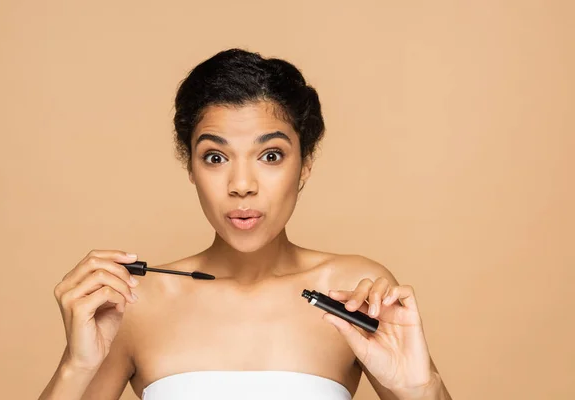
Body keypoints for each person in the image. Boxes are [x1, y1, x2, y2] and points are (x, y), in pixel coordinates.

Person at [39, 48, 452, 400]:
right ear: (190, 167)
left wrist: (421, 388)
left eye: (270, 155)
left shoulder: (354, 296)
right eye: (215, 158)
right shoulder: (133, 303)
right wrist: (75, 366)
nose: (241, 186)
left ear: (305, 164)